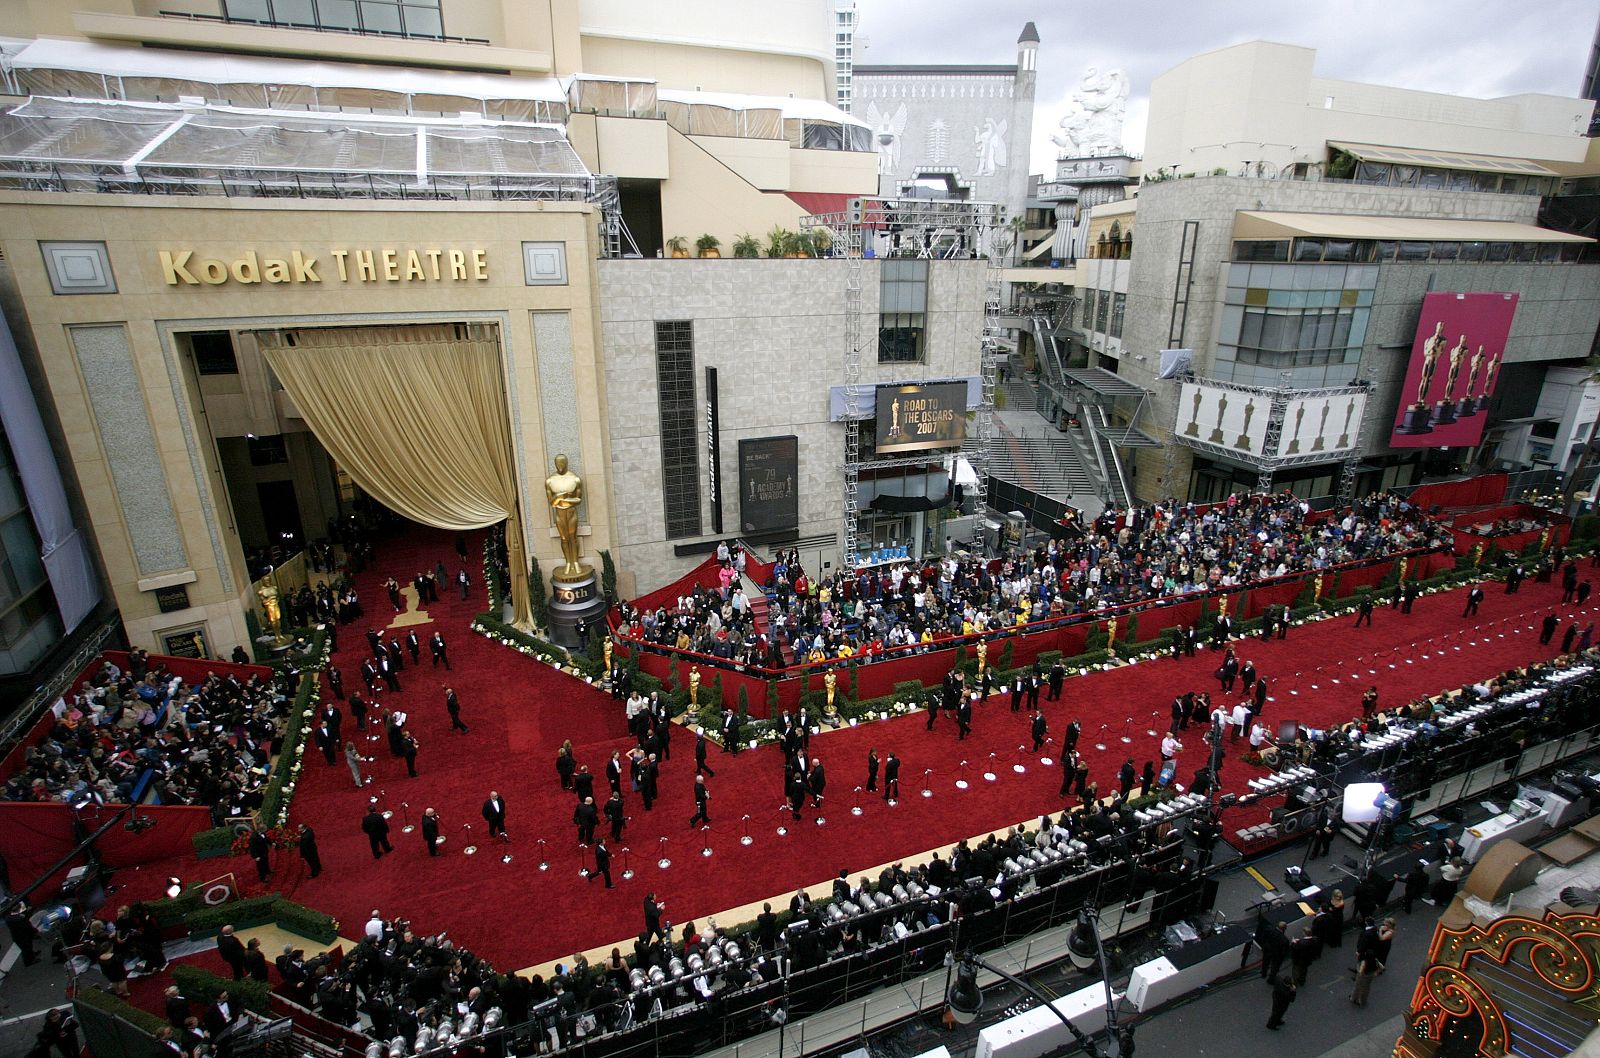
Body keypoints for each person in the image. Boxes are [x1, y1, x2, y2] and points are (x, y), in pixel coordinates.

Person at [5, 902, 40, 966]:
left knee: (26, 948)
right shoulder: (20, 918)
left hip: (17, 936)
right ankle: (29, 961)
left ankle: (32, 955)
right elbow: (28, 927)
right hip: (24, 936)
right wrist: (35, 931)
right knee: (27, 948)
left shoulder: (8, 918)